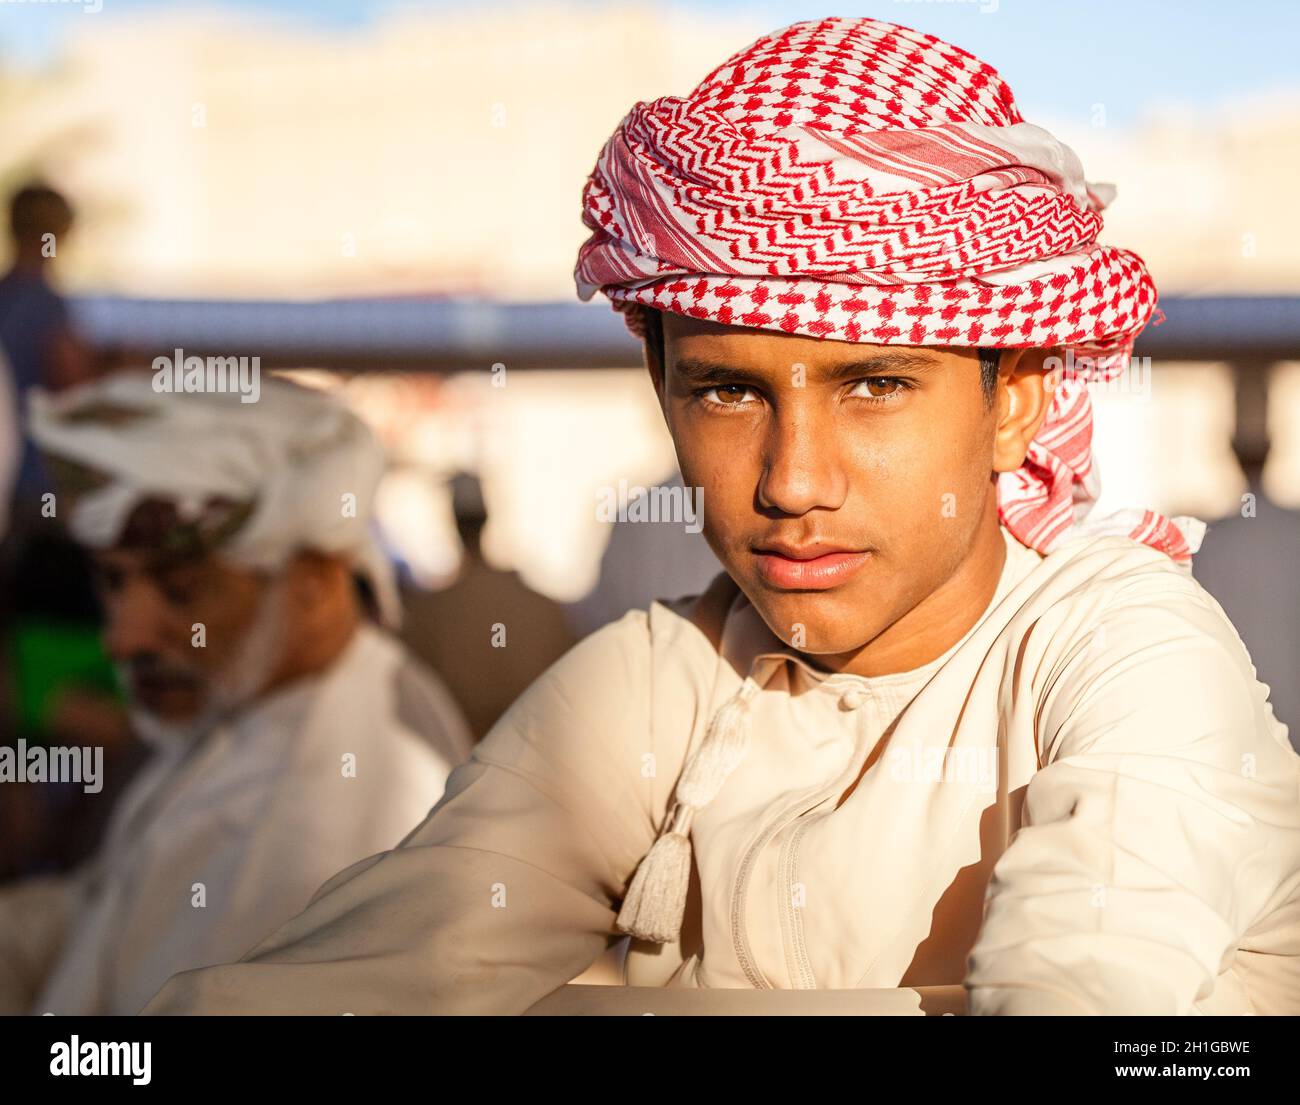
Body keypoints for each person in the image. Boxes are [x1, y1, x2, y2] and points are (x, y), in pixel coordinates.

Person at [141, 16, 1299, 1016]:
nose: (792, 480)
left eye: (875, 385)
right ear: (662, 392)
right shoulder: (661, 680)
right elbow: (356, 974)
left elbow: (1081, 986)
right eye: (728, 390)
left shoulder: (1117, 652)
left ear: (1015, 403)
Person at [0, 371, 473, 1015]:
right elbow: (111, 915)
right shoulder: (246, 711)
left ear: (311, 583)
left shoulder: (357, 792)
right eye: (114, 582)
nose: (123, 639)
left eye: (180, 591)